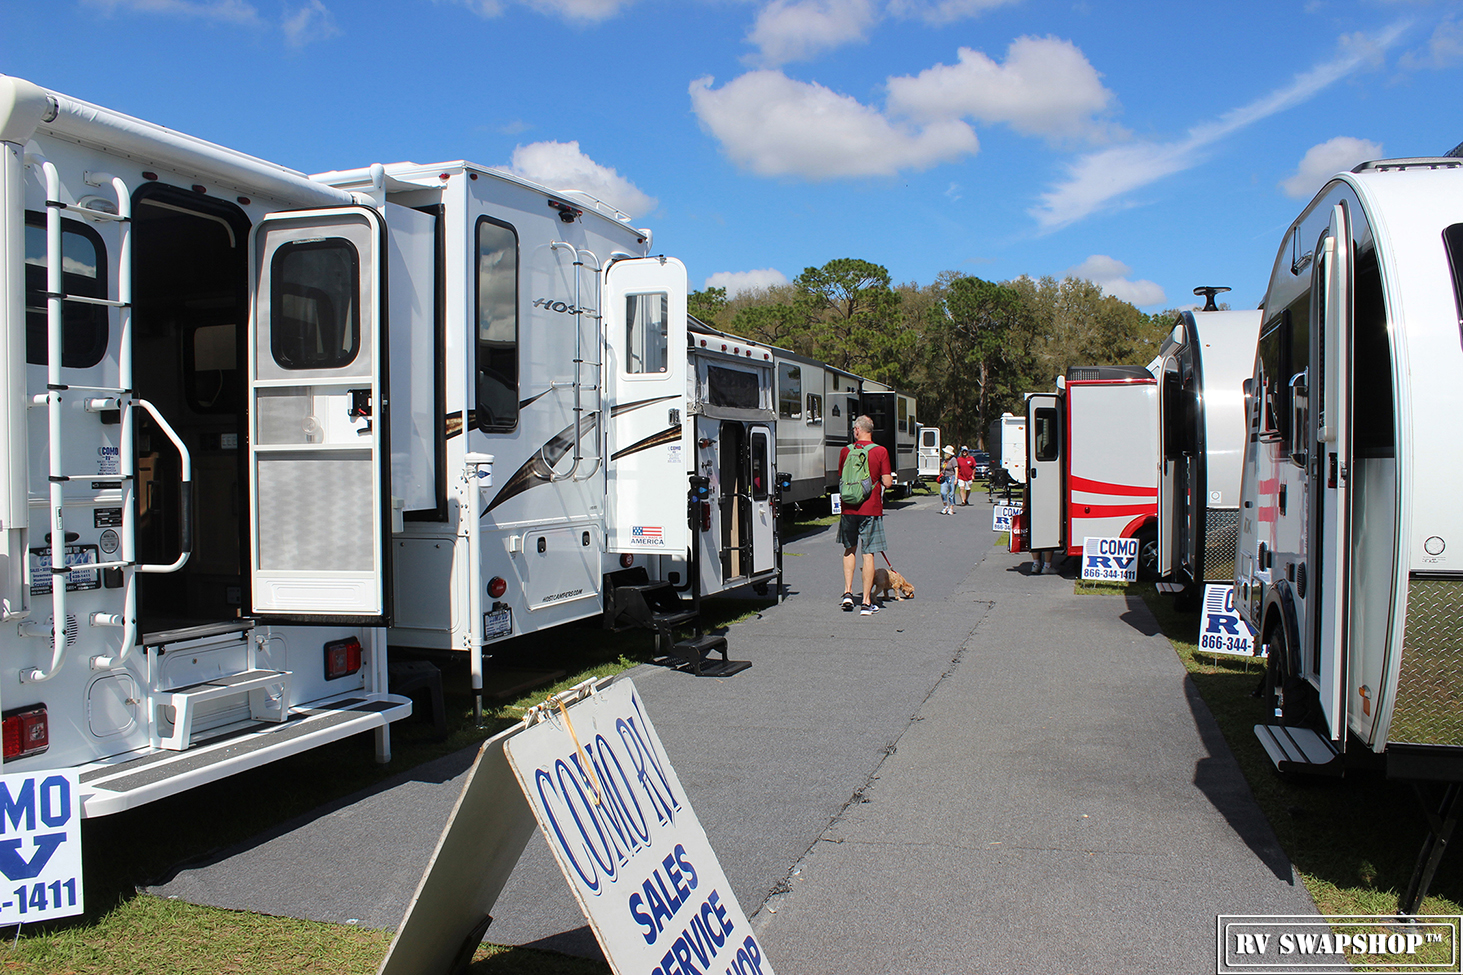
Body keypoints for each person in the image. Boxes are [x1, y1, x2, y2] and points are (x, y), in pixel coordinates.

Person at [838, 415, 893, 615]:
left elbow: (841, 477)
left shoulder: (846, 451)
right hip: (870, 508)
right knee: (867, 553)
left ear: (857, 430)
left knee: (849, 549)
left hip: (848, 508)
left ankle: (847, 593)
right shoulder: (880, 451)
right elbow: (887, 482)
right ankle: (867, 602)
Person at [937, 444, 958, 515]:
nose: (945, 454)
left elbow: (956, 469)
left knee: (951, 494)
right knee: (943, 492)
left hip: (951, 477)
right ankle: (945, 506)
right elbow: (942, 467)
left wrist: (956, 478)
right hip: (944, 477)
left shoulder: (953, 460)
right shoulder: (944, 460)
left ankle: (951, 508)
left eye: (946, 453)